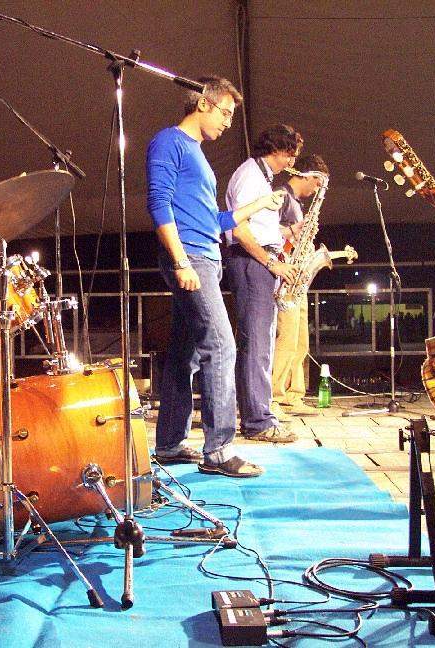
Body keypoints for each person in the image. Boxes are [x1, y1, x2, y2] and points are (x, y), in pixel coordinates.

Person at [147, 76, 286, 478]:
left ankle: (171, 443)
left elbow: (212, 220)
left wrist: (259, 203)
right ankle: (220, 449)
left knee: (184, 352)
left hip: (206, 254)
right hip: (191, 257)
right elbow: (158, 202)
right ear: (203, 104)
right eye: (225, 112)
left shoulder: (197, 153)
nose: (228, 122)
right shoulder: (169, 141)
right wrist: (180, 262)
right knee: (222, 346)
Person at [224, 125, 303, 442]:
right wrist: (271, 261)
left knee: (262, 343)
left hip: (261, 262)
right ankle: (258, 421)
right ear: (281, 151)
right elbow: (239, 230)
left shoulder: (260, 177)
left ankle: (258, 415)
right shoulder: (250, 176)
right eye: (291, 155)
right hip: (252, 262)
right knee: (257, 344)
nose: (291, 163)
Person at [271, 153, 329, 414]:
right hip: (285, 278)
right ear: (308, 176)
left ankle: (293, 395)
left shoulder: (295, 203)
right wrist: (296, 231)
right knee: (285, 342)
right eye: (317, 183)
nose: (317, 189)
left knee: (300, 342)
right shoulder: (281, 196)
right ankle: (273, 397)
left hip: (298, 277)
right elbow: (267, 233)